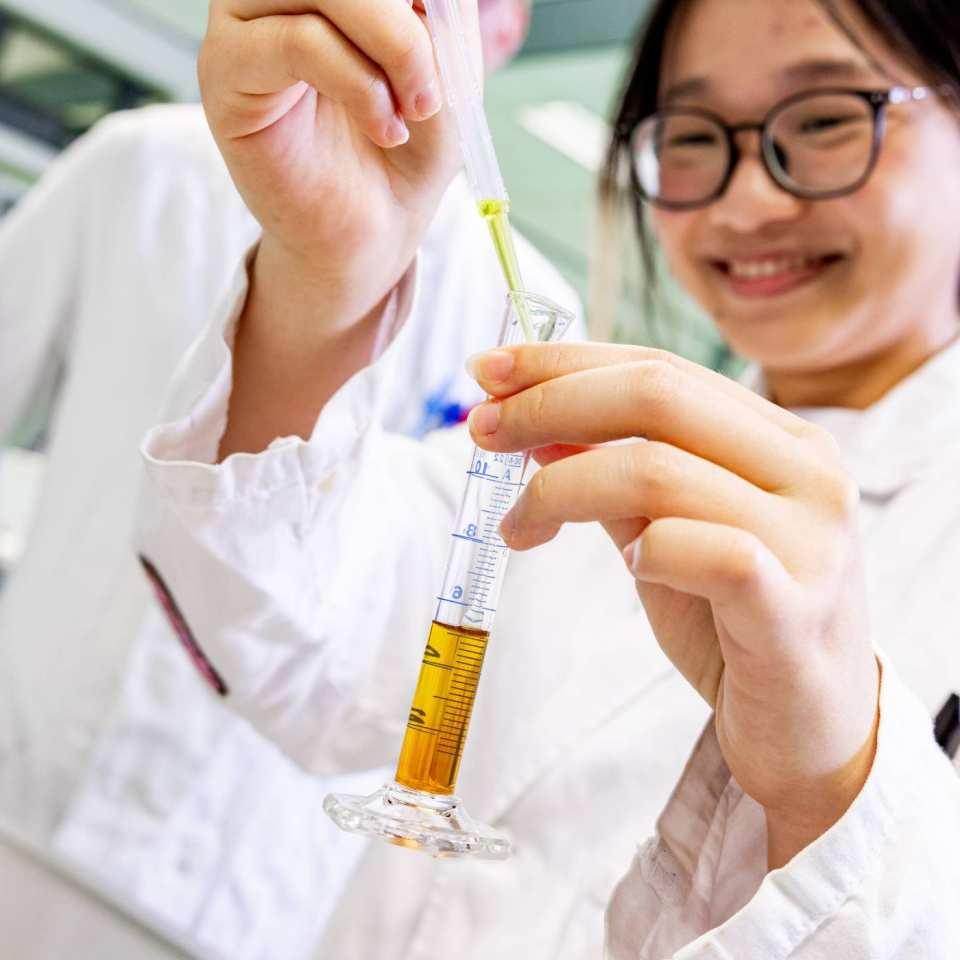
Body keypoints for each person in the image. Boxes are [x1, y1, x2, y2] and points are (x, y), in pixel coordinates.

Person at [140, 0, 960, 956]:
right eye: (692, 134)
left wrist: (833, 784)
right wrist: (326, 272)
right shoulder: (598, 434)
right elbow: (290, 647)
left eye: (822, 119)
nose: (745, 203)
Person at [0, 2, 574, 958]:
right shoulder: (141, 164)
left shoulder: (536, 305)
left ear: (510, 33)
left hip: (257, 900)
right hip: (22, 803)